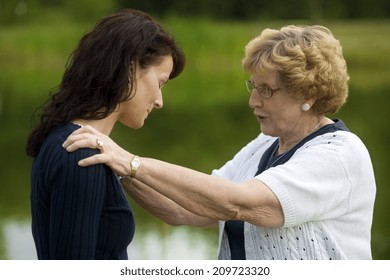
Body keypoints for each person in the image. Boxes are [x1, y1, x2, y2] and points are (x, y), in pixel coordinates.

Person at [62, 25, 376, 260]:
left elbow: (238, 202)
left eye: (266, 90)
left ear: (307, 95)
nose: (253, 100)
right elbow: (185, 209)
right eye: (253, 86)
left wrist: (131, 162)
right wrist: (113, 164)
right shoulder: (263, 146)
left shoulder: (340, 156)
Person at [26, 9, 185, 259]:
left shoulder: (67, 140)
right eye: (160, 82)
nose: (159, 101)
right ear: (131, 67)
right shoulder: (81, 154)